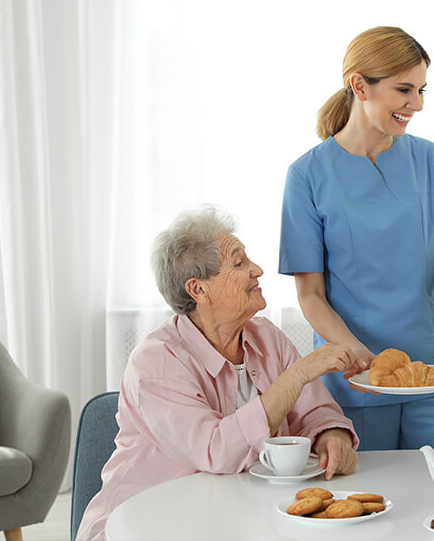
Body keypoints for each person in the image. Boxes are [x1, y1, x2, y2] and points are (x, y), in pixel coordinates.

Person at [77, 207, 359, 541]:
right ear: (198, 290)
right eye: (239, 263)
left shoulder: (266, 336)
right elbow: (216, 450)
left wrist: (332, 438)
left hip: (240, 517)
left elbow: (316, 412)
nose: (257, 270)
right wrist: (296, 375)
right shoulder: (156, 362)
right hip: (150, 524)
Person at [279, 26, 434, 451]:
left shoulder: (429, 160)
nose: (417, 104)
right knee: (370, 502)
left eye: (422, 90)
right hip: (357, 373)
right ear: (360, 85)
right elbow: (311, 296)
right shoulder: (307, 176)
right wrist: (353, 352)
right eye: (404, 90)